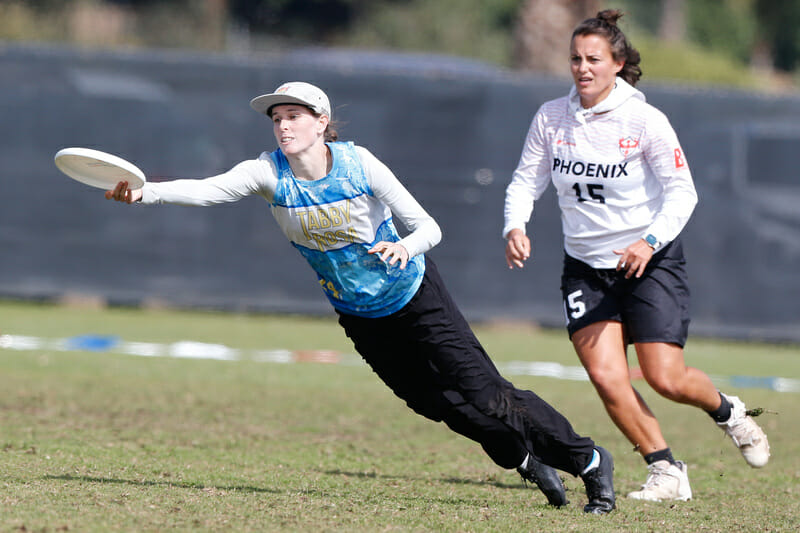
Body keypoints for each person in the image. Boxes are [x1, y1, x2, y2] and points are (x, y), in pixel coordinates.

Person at [105, 81, 616, 513]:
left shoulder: (359, 164)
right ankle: (527, 461)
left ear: (321, 121)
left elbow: (428, 227)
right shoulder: (267, 173)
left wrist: (403, 246)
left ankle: (589, 461)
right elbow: (208, 190)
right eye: (277, 118)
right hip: (360, 314)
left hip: (417, 295)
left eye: (294, 116)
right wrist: (145, 191)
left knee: (487, 394)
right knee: (435, 404)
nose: (283, 126)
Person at [503, 9, 770, 503]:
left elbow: (682, 192)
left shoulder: (645, 120)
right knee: (607, 377)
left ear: (618, 63)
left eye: (594, 59)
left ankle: (728, 413)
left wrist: (647, 242)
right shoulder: (550, 117)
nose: (583, 68)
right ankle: (665, 469)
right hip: (585, 267)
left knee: (665, 377)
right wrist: (515, 225)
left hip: (649, 261)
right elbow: (526, 180)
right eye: (576, 59)